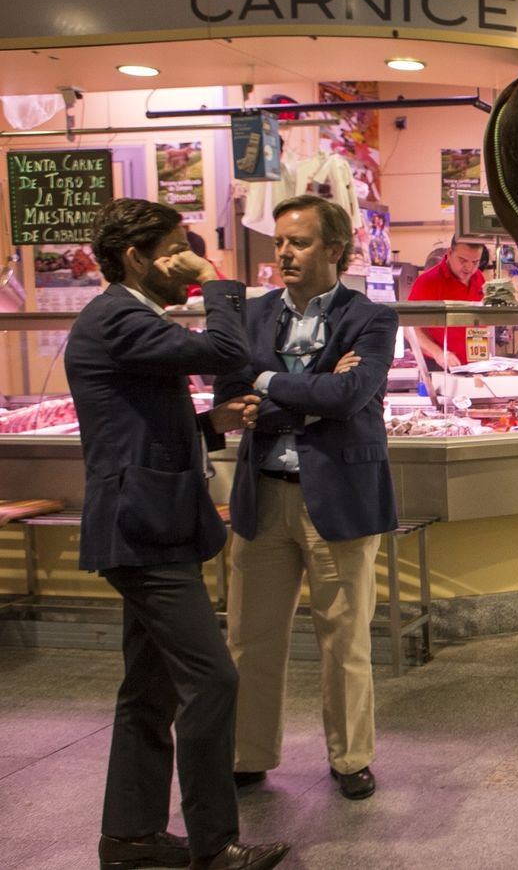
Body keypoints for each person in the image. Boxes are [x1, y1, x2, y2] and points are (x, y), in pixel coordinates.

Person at [65, 198, 289, 870]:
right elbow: (229, 347)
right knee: (214, 681)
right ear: (136, 257)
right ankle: (216, 845)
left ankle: (130, 838)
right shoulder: (120, 318)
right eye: (174, 248)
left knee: (149, 688)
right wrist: (216, 274)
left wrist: (209, 426)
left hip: (150, 521)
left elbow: (132, 423)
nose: (184, 260)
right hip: (143, 529)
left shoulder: (127, 321)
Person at [215, 194, 398, 802]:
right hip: (262, 494)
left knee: (344, 639)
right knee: (249, 635)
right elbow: (230, 396)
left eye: (299, 242)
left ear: (335, 249)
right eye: (280, 242)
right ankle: (247, 754)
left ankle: (350, 759)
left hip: (340, 499)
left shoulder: (370, 317)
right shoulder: (251, 314)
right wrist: (310, 389)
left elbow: (351, 396)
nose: (284, 253)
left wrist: (269, 382)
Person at [406, 235, 487, 369]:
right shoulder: (428, 282)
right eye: (463, 260)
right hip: (438, 366)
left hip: (475, 365)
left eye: (475, 262)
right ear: (449, 253)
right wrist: (439, 353)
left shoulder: (478, 277)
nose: (469, 268)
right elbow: (411, 330)